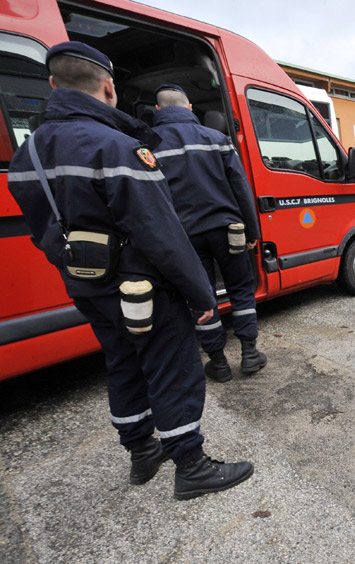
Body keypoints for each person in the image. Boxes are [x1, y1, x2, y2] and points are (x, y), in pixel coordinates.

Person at [8, 41, 253, 499]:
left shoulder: (29, 155)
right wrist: (200, 294)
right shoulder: (118, 147)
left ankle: (142, 451)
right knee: (173, 366)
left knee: (121, 364)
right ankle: (191, 464)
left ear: (52, 84)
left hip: (87, 286)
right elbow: (161, 233)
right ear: (108, 88)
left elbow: (41, 230)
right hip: (143, 288)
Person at [152, 84, 265, 382]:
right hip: (228, 231)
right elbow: (241, 188)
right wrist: (252, 230)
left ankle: (218, 362)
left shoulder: (148, 146)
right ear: (190, 108)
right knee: (241, 289)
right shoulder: (218, 139)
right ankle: (250, 353)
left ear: (158, 110)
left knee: (201, 298)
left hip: (185, 237)